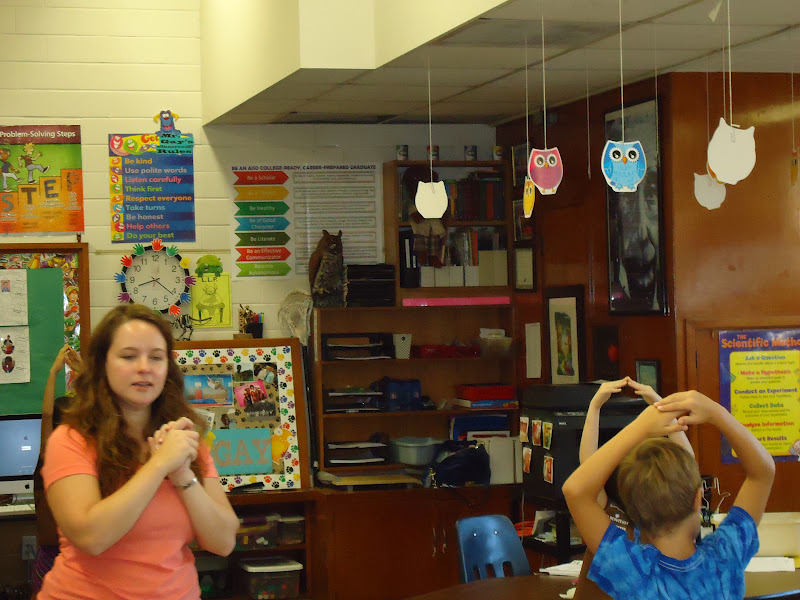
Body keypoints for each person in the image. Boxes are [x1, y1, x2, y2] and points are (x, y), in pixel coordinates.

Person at [38, 304, 239, 600]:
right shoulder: (71, 440)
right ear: (102, 364)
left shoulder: (183, 440)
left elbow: (223, 542)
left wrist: (182, 475)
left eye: (156, 357)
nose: (144, 367)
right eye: (129, 356)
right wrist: (158, 466)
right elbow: (91, 537)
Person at [563, 390, 775, 600]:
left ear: (632, 509)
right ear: (698, 498)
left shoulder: (633, 572)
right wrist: (717, 413)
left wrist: (640, 427)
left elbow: (575, 490)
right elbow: (763, 473)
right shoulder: (725, 557)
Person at [31, 344, 82, 598]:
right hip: (53, 560)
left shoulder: (81, 460)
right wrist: (53, 372)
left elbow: (103, 413)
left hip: (71, 558)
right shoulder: (50, 457)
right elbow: (47, 414)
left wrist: (83, 374)